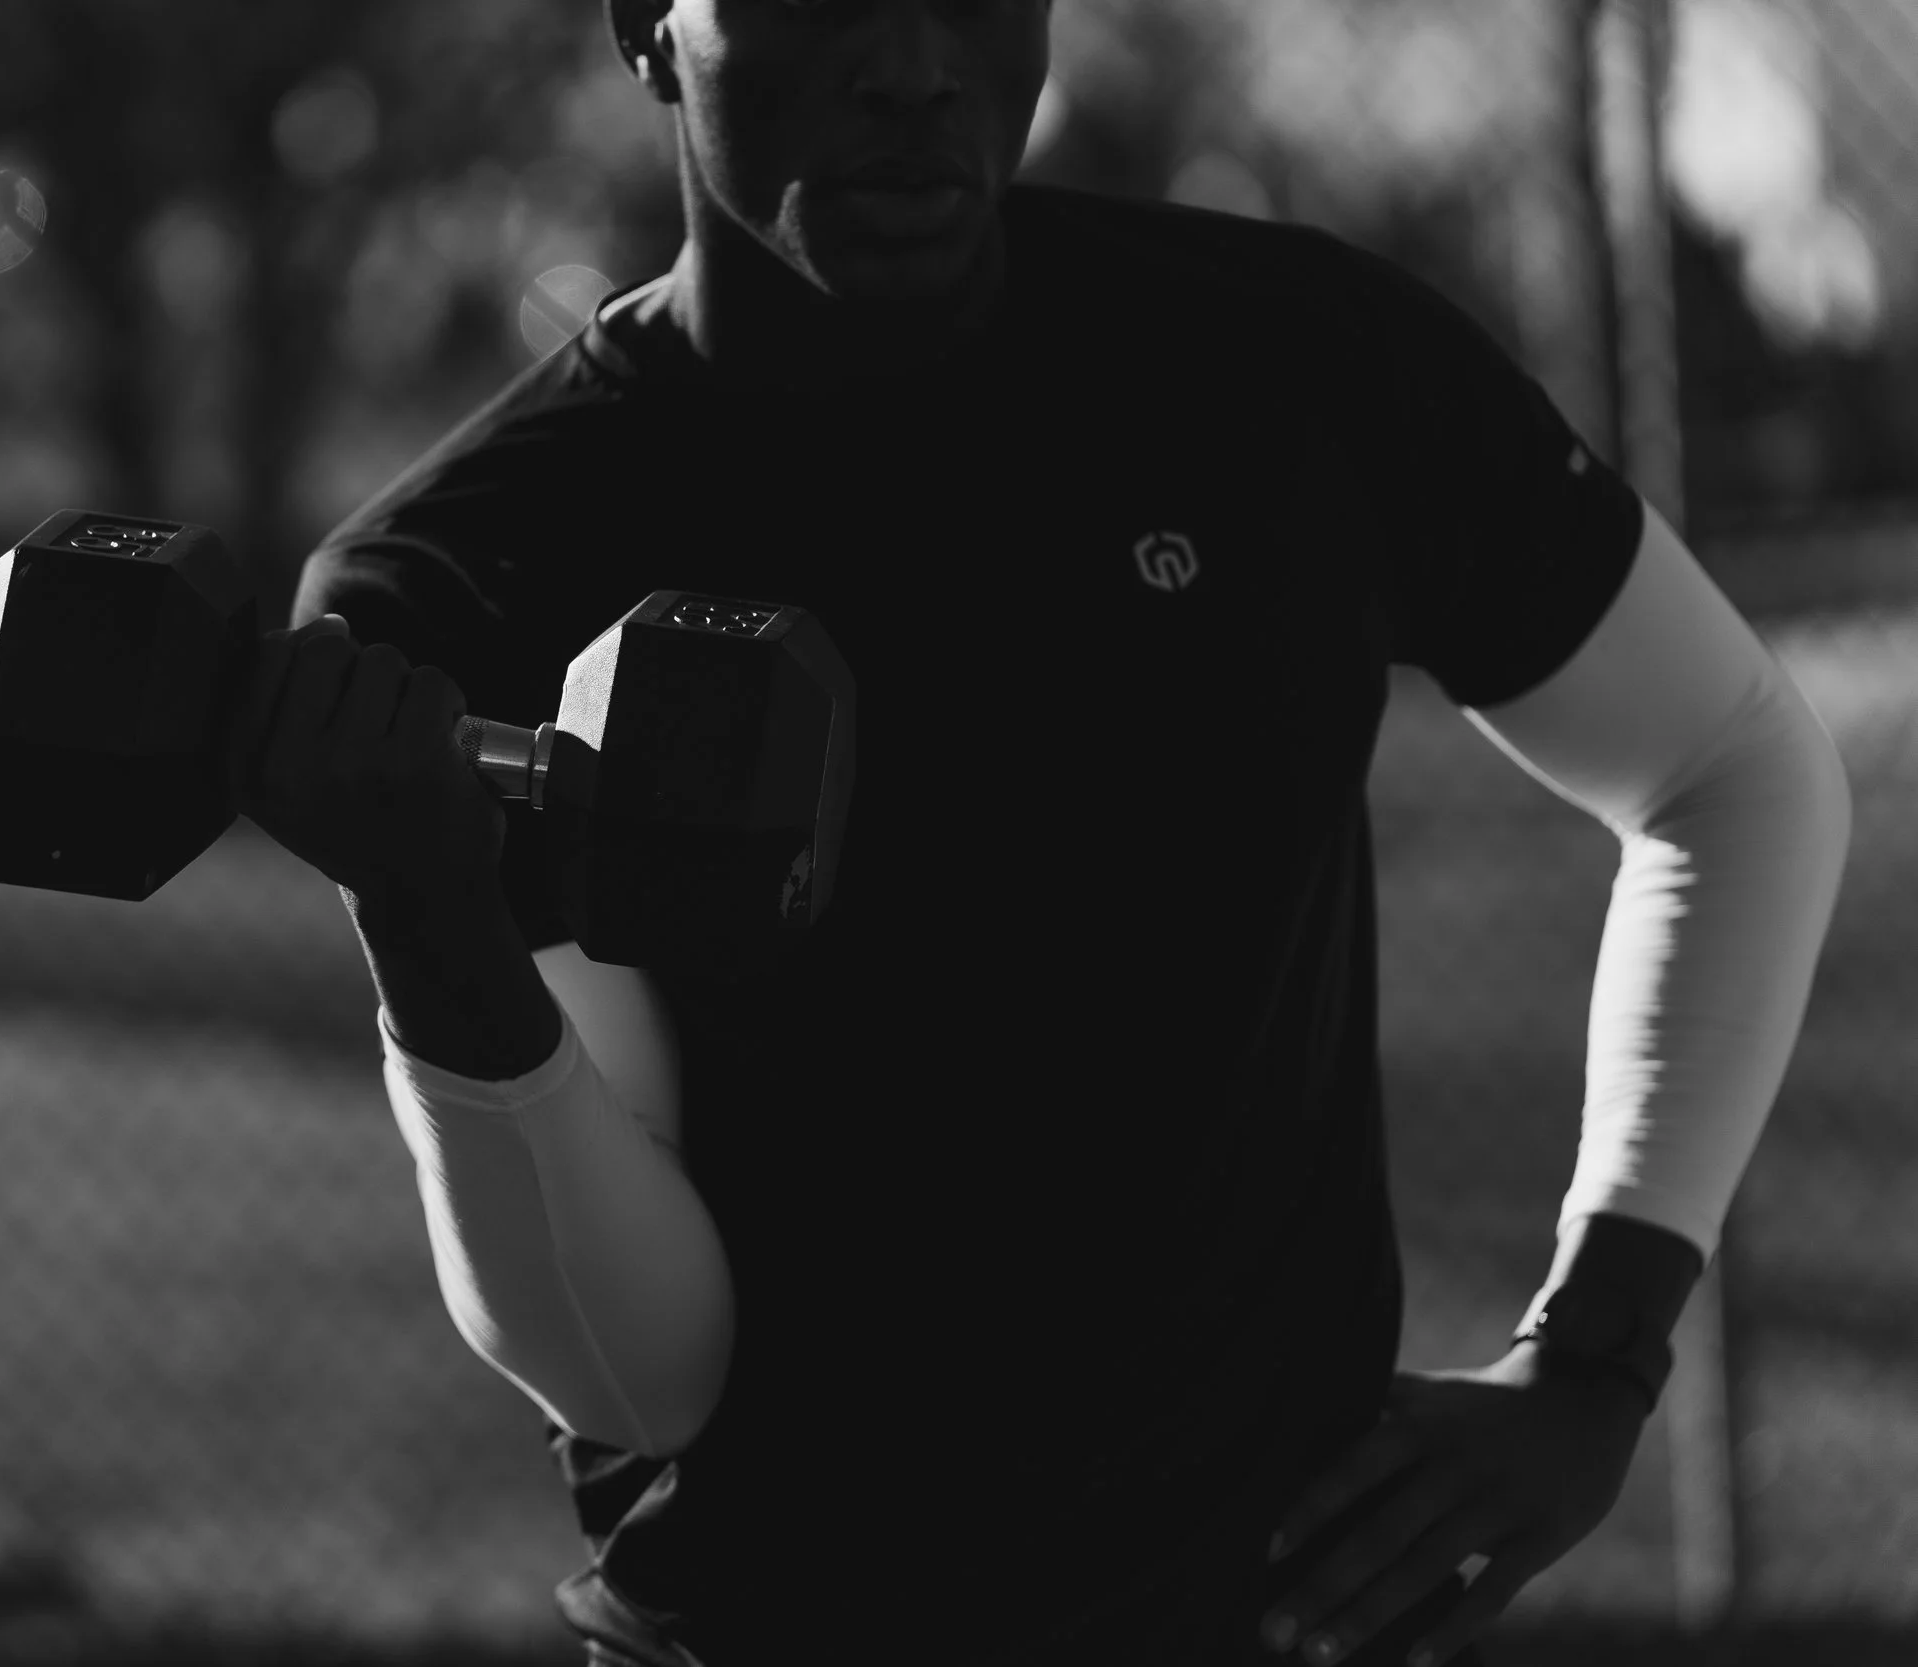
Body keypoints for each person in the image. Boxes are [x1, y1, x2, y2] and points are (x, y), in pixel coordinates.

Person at [226, 2, 1855, 1662]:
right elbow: (647, 1377)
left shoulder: (1293, 361)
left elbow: (1732, 764)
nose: (913, 64)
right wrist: (430, 928)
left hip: (1281, 1622)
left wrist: (1598, 1351)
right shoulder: (471, 579)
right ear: (649, 25)